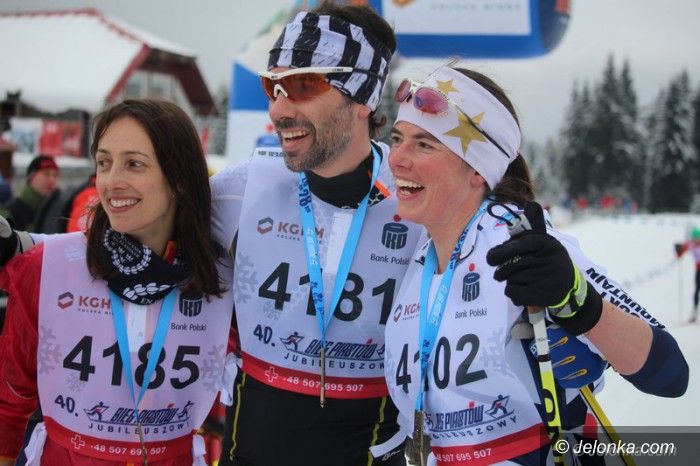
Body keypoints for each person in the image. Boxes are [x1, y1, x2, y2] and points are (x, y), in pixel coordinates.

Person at [383, 66, 688, 465]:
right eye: (397, 139)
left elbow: (670, 373)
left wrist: (581, 305)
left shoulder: (520, 244)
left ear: (477, 169)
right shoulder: (420, 259)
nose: (397, 159)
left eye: (424, 145)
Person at [210, 3, 422, 465]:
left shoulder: (419, 197)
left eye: (303, 86)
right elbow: (141, 245)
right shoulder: (240, 191)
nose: (279, 109)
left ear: (363, 98)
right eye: (273, 86)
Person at [0, 99, 235, 465]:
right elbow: (9, 402)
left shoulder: (220, 280)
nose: (112, 181)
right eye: (104, 163)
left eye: (134, 164)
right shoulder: (48, 267)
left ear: (180, 180)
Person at [2, 155, 60, 231]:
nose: (51, 180)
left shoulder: (60, 211)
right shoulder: (9, 212)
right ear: (31, 177)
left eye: (55, 175)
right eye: (46, 174)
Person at [675, 226, 700, 322]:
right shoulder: (691, 244)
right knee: (696, 291)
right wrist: (678, 250)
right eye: (695, 238)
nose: (696, 240)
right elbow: (681, 252)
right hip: (698, 270)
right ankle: (694, 314)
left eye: (698, 238)